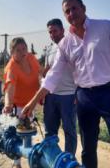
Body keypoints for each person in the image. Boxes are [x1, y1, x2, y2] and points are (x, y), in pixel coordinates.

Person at [22, 0, 110, 168]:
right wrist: (32, 103)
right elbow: (53, 76)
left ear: (83, 8)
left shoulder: (105, 27)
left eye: (74, 8)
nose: (71, 13)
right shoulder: (65, 44)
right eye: (67, 11)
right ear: (65, 16)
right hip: (85, 97)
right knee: (88, 148)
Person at [2, 37, 41, 168]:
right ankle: (17, 163)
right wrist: (8, 104)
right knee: (18, 133)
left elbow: (40, 72)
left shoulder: (31, 58)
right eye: (18, 50)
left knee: (28, 131)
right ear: (12, 52)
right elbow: (9, 88)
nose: (22, 52)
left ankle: (29, 157)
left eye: (24, 48)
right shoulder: (11, 67)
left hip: (31, 103)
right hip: (18, 106)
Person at [43, 18, 77, 155]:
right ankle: (52, 159)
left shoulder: (72, 45)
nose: (52, 35)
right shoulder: (50, 49)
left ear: (62, 30)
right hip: (51, 96)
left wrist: (78, 93)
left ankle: (69, 160)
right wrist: (42, 91)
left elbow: (79, 70)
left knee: (69, 131)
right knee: (50, 131)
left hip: (68, 96)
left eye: (55, 31)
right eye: (50, 32)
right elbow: (46, 70)